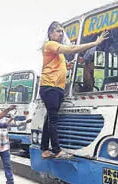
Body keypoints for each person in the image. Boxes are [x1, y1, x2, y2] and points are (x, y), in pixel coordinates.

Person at [40, 21, 109, 159]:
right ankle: (57, 150)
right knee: (53, 120)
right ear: (50, 33)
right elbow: (72, 49)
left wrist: (68, 66)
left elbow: (58, 67)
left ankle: (44, 149)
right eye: (58, 31)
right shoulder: (51, 45)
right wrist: (95, 43)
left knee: (49, 118)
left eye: (61, 32)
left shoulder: (58, 53)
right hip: (50, 87)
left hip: (57, 88)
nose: (61, 34)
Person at [0, 106, 31, 184]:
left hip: (5, 148)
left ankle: (10, 183)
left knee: (8, 166)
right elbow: (7, 124)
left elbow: (15, 124)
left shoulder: (4, 119)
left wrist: (25, 122)